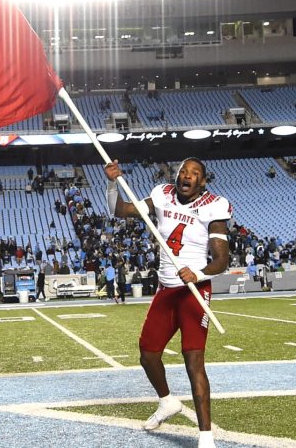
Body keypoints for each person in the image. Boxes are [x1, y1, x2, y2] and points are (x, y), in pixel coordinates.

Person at [105, 157, 230, 448]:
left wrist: (197, 273)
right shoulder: (162, 195)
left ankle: (206, 437)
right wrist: (112, 183)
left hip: (194, 291)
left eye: (194, 173)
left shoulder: (214, 206)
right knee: (147, 354)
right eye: (183, 171)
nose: (187, 176)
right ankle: (167, 402)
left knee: (193, 361)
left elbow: (222, 260)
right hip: (166, 289)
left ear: (203, 181)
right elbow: (119, 210)